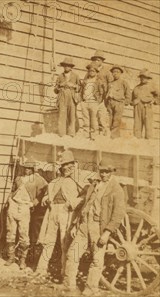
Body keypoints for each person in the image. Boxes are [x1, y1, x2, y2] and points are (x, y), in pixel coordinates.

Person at [63, 161, 125, 296]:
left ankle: (90, 289)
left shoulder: (116, 189)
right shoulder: (94, 185)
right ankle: (69, 287)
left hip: (99, 228)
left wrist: (107, 233)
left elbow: (118, 214)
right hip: (84, 225)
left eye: (106, 172)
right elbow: (85, 206)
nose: (103, 174)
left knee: (97, 260)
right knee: (72, 254)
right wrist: (76, 224)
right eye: (101, 171)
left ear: (111, 172)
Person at [35, 150, 81, 276]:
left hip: (67, 212)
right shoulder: (57, 179)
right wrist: (45, 198)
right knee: (48, 241)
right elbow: (50, 190)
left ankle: (65, 272)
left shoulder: (78, 179)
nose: (65, 167)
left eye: (67, 164)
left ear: (73, 164)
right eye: (63, 165)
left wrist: (72, 203)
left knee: (64, 242)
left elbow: (85, 196)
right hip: (53, 211)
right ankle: (41, 270)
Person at [5, 158, 47, 270]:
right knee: (11, 233)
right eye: (25, 168)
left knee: (24, 235)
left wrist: (33, 203)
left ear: (33, 169)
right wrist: (9, 200)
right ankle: (11, 257)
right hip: (13, 205)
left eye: (29, 168)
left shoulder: (38, 180)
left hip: (24, 207)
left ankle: (22, 260)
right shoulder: (18, 178)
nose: (27, 170)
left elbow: (43, 193)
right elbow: (13, 190)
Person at [78, 63, 105, 139]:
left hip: (94, 102)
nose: (91, 72)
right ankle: (86, 136)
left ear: (96, 72)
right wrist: (81, 100)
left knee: (93, 120)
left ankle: (94, 136)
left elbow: (101, 93)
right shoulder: (85, 81)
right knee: (85, 119)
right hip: (85, 102)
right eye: (90, 71)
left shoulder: (98, 81)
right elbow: (81, 90)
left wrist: (98, 101)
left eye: (93, 71)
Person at [54, 57, 80, 137]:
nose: (66, 67)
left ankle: (71, 134)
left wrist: (73, 86)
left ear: (71, 67)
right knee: (62, 115)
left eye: (68, 66)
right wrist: (60, 86)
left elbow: (80, 88)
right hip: (62, 96)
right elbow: (55, 90)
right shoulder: (60, 76)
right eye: (65, 66)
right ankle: (61, 134)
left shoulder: (75, 76)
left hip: (72, 96)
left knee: (72, 115)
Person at [105, 65, 131, 138]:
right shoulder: (110, 83)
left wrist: (125, 102)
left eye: (117, 72)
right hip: (110, 103)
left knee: (117, 119)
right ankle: (110, 134)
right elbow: (107, 92)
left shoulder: (123, 82)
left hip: (119, 103)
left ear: (120, 73)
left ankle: (114, 136)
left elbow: (128, 93)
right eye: (114, 72)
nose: (115, 73)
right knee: (110, 118)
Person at [132, 69, 159, 139]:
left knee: (148, 124)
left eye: (144, 77)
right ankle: (137, 141)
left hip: (147, 107)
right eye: (141, 77)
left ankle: (148, 141)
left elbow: (158, 96)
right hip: (137, 107)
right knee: (137, 124)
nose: (142, 78)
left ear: (148, 78)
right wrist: (133, 102)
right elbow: (132, 98)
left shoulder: (152, 86)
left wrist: (154, 101)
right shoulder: (136, 87)